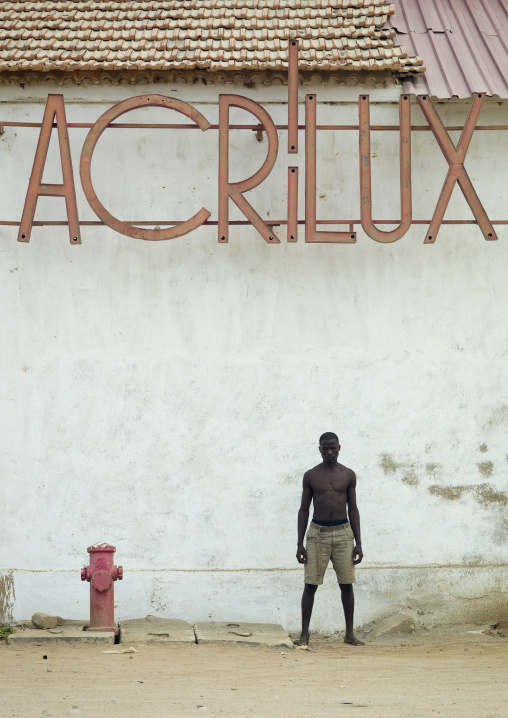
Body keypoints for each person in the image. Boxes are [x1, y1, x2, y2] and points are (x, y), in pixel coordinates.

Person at [295, 432, 364, 646]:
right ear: (319, 449)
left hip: (344, 534)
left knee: (346, 584)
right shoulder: (311, 475)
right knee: (310, 584)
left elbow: (352, 509)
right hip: (317, 534)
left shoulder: (348, 474)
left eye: (333, 448)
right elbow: (304, 509)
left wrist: (358, 542)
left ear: (339, 447)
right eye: (325, 448)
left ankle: (349, 634)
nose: (329, 452)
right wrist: (299, 543)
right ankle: (305, 634)